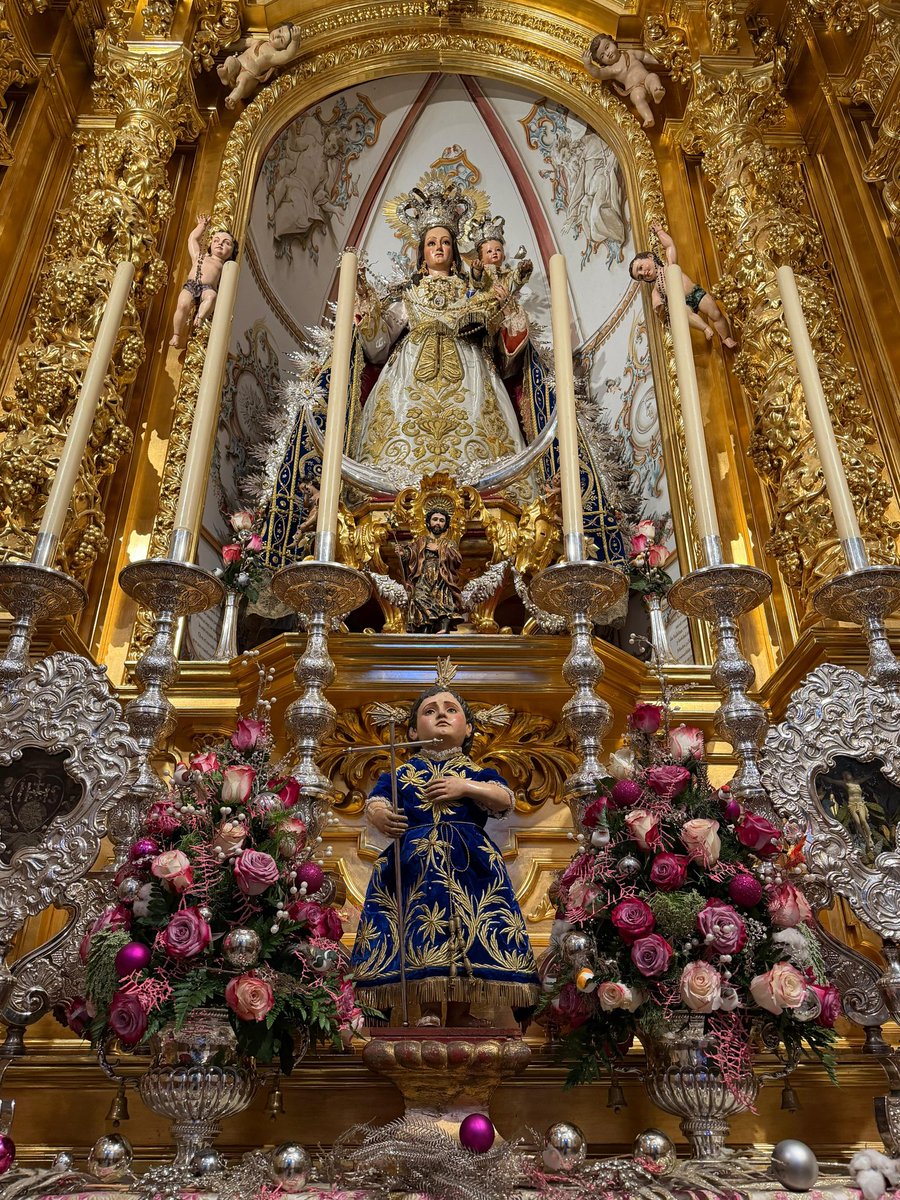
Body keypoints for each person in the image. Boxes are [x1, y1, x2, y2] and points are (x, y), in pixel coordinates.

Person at [350, 686, 540, 1026]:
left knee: (469, 933)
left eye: (451, 709)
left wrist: (465, 787)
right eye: (429, 710)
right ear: (411, 731)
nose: (441, 714)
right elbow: (376, 802)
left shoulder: (476, 772)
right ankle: (427, 1008)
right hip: (413, 864)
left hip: (471, 863)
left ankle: (459, 1012)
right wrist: (380, 816)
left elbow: (504, 799)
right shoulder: (400, 773)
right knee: (419, 928)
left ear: (468, 729)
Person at [352, 190, 532, 488]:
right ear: (421, 252)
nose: (439, 248)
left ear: (455, 251)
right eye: (431, 243)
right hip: (409, 375)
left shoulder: (473, 292)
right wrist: (365, 303)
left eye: (445, 242)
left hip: (470, 372)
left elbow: (501, 350)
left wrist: (504, 309)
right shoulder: (408, 295)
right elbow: (377, 347)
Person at [629, 223, 737, 348]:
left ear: (650, 257)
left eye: (641, 267)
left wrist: (660, 232)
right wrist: (659, 306)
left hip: (695, 293)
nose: (644, 273)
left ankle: (726, 338)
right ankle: (705, 328)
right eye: (641, 276)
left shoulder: (669, 266)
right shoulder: (657, 289)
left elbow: (669, 246)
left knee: (715, 313)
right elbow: (657, 304)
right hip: (683, 304)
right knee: (685, 314)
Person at [169, 216, 237, 349]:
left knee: (212, 296)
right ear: (210, 244)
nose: (220, 244)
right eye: (216, 240)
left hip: (207, 288)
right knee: (182, 305)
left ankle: (200, 318)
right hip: (191, 285)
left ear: (232, 252)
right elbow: (192, 239)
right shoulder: (199, 257)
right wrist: (201, 226)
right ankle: (176, 334)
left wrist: (226, 309)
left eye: (226, 243)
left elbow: (226, 290)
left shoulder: (225, 267)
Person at [399, 507, 463, 633]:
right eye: (435, 519)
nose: (438, 523)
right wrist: (403, 553)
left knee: (442, 599)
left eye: (441, 520)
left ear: (446, 524)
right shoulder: (421, 541)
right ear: (428, 522)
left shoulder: (448, 543)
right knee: (418, 597)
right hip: (423, 575)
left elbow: (457, 559)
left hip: (441, 575)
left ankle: (443, 626)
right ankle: (424, 626)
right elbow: (411, 554)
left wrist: (439, 550)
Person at [582, 34, 666, 129]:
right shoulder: (611, 69)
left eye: (607, 47)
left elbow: (643, 56)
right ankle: (648, 118)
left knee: (653, 77)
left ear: (613, 42)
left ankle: (657, 93)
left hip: (646, 79)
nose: (607, 54)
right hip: (635, 88)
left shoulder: (629, 53)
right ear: (602, 62)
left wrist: (658, 61)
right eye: (602, 56)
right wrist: (588, 65)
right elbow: (598, 73)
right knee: (637, 98)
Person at [217, 23, 303, 109]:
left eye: (281, 40)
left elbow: (287, 55)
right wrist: (225, 46)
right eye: (279, 31)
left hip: (249, 76)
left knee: (242, 82)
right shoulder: (259, 41)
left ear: (283, 48)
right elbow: (244, 43)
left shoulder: (273, 55)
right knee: (230, 60)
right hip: (238, 64)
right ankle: (226, 75)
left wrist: (295, 41)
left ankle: (232, 99)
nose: (276, 36)